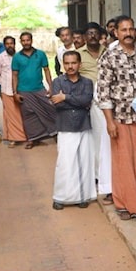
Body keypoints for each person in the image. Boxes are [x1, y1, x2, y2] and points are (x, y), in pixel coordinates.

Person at [98, 15, 136, 219]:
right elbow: (103, 92)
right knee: (124, 163)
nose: (128, 33)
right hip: (121, 118)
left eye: (131, 29)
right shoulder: (109, 56)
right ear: (116, 32)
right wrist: (109, 122)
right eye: (123, 30)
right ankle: (125, 205)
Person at [50, 51, 96, 210]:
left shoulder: (87, 82)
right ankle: (60, 198)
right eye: (67, 63)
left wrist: (66, 97)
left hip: (83, 125)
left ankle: (82, 197)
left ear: (80, 64)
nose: (70, 66)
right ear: (63, 64)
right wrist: (74, 101)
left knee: (83, 162)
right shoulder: (57, 81)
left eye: (73, 63)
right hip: (65, 126)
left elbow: (86, 100)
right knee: (64, 163)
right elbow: (57, 104)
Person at [77, 23, 110, 204]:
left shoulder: (109, 52)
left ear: (100, 35)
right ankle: (95, 175)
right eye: (89, 33)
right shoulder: (79, 54)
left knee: (104, 138)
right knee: (92, 139)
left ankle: (104, 173)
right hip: (88, 101)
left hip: (107, 100)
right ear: (84, 36)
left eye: (95, 33)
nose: (92, 36)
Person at [12, 31, 57, 149]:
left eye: (28, 40)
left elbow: (46, 70)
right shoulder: (17, 57)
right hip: (23, 90)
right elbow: (14, 75)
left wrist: (51, 87)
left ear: (31, 40)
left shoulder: (40, 54)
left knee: (51, 108)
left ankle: (56, 132)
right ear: (21, 42)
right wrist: (15, 93)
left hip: (39, 88)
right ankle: (33, 139)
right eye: (23, 40)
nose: (26, 42)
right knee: (28, 115)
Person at [0, 36, 27, 147]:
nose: (9, 45)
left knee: (19, 114)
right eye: (7, 44)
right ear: (4, 45)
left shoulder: (20, 56)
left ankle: (17, 135)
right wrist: (4, 85)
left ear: (15, 44)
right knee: (11, 115)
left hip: (21, 90)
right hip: (6, 90)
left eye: (11, 43)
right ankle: (13, 138)